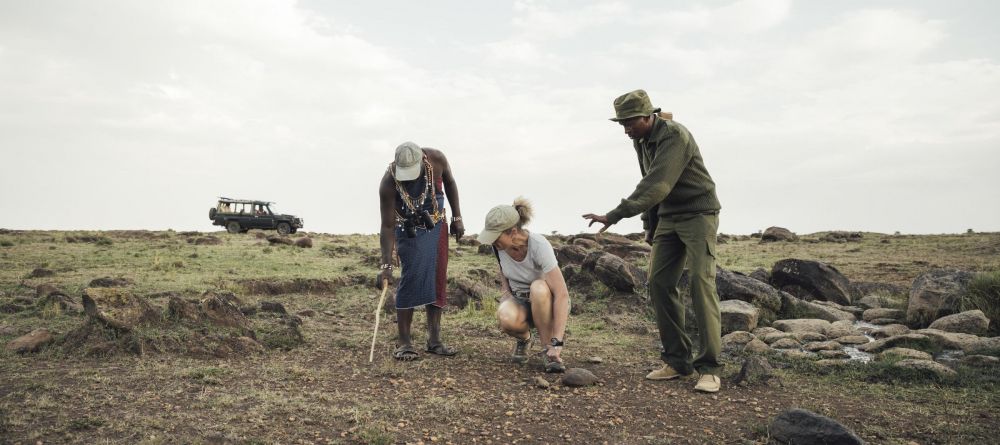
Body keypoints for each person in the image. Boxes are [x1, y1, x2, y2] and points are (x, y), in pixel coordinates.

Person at [582, 89, 723, 393]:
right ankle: (677, 361)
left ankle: (709, 368)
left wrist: (614, 215)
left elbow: (658, 183)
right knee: (658, 283)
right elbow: (647, 180)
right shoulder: (641, 140)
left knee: (701, 282)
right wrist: (650, 224)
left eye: (630, 122)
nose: (625, 129)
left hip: (699, 213)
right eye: (622, 123)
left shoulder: (675, 136)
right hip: (669, 217)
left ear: (648, 116)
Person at [378, 141, 465, 360]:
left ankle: (434, 341)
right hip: (407, 230)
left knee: (437, 277)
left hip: (436, 225)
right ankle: (404, 343)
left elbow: (451, 183)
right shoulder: (389, 182)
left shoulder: (437, 159)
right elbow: (387, 225)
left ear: (423, 161)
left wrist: (457, 217)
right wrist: (386, 264)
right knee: (411, 277)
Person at [478, 197, 570, 373]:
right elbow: (503, 268)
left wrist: (558, 341)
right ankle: (525, 339)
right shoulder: (498, 247)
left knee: (538, 287)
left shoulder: (539, 246)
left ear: (513, 232)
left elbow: (562, 294)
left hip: (546, 302)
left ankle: (549, 350)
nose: (492, 241)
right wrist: (505, 291)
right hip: (521, 301)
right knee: (505, 316)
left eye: (495, 236)